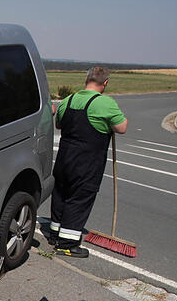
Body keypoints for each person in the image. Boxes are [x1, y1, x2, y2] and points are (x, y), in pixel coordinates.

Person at [48, 66, 127, 257]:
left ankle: (55, 234)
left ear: (87, 79)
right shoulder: (105, 103)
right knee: (79, 199)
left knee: (61, 194)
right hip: (87, 163)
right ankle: (67, 244)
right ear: (105, 82)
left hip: (64, 159)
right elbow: (122, 127)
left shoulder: (69, 100)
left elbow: (59, 124)